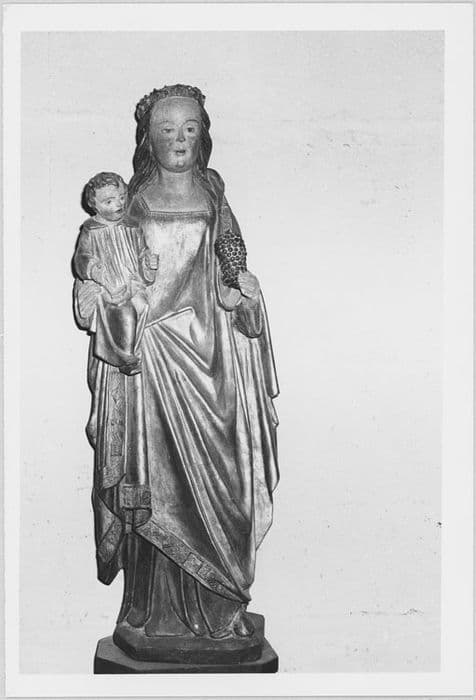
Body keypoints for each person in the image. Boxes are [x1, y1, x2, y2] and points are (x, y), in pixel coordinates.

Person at [79, 85, 279, 657]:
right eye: (167, 130)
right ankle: (155, 616)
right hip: (152, 363)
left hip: (213, 363)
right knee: (155, 487)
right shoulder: (129, 203)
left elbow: (232, 261)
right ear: (148, 140)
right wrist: (100, 301)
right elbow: (102, 270)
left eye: (190, 128)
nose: (179, 140)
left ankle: (221, 610)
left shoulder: (214, 193)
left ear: (204, 135)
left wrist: (244, 291)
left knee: (229, 489)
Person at [73, 172, 158, 375]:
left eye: (121, 197)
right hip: (108, 287)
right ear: (94, 205)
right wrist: (94, 269)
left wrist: (148, 263)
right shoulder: (91, 230)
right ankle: (124, 357)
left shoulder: (133, 226)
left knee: (143, 306)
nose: (118, 204)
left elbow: (142, 253)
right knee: (125, 314)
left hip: (132, 283)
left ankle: (133, 350)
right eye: (109, 201)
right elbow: (81, 258)